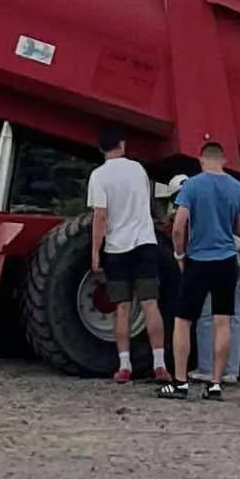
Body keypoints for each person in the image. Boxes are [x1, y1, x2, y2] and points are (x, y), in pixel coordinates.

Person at [165, 138, 240, 401]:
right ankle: (216, 384)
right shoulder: (238, 188)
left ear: (201, 161)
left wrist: (180, 254)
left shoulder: (192, 186)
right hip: (226, 261)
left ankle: (180, 383)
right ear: (224, 160)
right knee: (223, 321)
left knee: (183, 321)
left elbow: (179, 227)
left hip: (198, 261)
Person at [87, 129, 169, 388]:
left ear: (101, 149)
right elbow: (145, 203)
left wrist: (95, 251)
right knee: (150, 304)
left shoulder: (98, 176)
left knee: (122, 307)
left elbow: (100, 215)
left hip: (116, 246)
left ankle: (124, 365)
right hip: (144, 242)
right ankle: (159, 363)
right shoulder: (138, 170)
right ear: (122, 145)